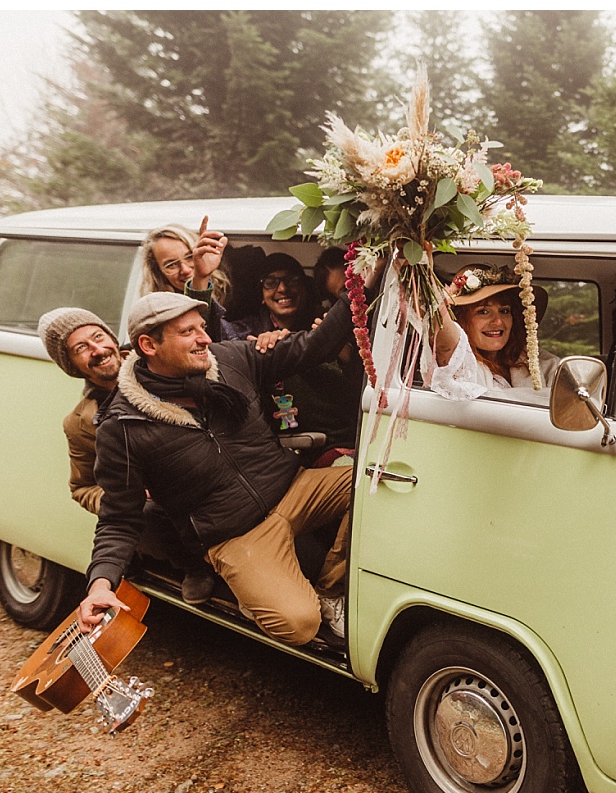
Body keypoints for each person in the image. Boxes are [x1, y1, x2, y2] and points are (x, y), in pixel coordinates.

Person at [79, 284, 370, 647]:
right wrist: (100, 585)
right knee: (300, 625)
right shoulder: (122, 426)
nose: (204, 339)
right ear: (149, 346)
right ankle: (257, 588)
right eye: (188, 332)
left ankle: (328, 590)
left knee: (373, 485)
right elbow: (119, 518)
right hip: (234, 534)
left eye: (202, 326)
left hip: (293, 488)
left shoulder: (231, 358)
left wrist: (361, 283)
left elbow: (314, 346)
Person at [37, 307, 217, 604]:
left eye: (98, 337)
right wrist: (126, 491)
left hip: (207, 474)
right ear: (71, 365)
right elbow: (82, 488)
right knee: (147, 509)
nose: (97, 350)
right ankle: (194, 568)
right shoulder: (81, 423)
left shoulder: (157, 358)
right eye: (81, 348)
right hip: (163, 505)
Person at [222, 251, 363, 464]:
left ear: (305, 288)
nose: (282, 289)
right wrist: (265, 349)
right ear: (260, 294)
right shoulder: (246, 333)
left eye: (291, 280)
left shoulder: (327, 324)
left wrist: (344, 353)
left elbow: (357, 391)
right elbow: (210, 334)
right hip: (282, 451)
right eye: (271, 282)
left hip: (341, 440)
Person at [427, 263, 558, 400]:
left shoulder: (532, 360)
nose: (498, 321)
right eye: (483, 312)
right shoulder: (461, 362)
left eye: (504, 311)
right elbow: (445, 339)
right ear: (459, 319)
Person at [139, 217, 229, 341]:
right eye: (171, 265)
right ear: (158, 273)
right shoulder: (155, 316)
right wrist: (200, 280)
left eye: (190, 257)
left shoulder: (229, 291)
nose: (185, 270)